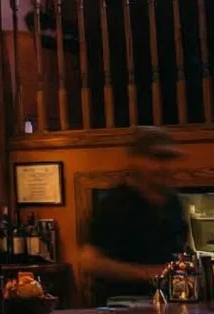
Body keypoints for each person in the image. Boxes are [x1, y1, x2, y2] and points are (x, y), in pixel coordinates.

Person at [80, 127, 190, 304]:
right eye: (156, 158)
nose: (165, 167)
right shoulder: (115, 203)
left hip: (169, 302)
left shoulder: (173, 202)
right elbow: (90, 262)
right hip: (122, 306)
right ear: (135, 161)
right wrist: (151, 274)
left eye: (169, 159)